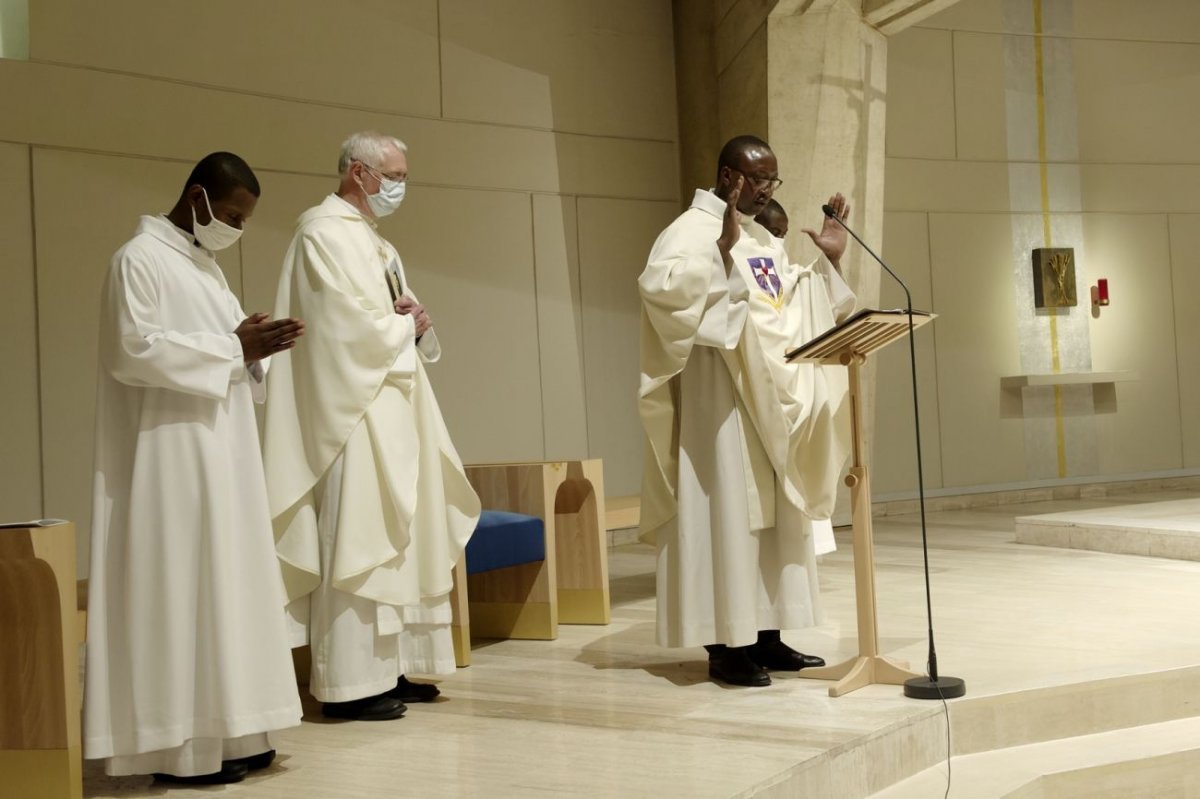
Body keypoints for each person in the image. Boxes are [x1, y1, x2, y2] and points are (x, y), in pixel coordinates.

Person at [84, 152, 305, 784]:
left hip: (220, 454)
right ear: (198, 197)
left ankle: (235, 732)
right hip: (167, 454)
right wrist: (233, 348)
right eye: (232, 214)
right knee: (178, 587)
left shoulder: (205, 268)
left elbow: (228, 353)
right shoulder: (139, 260)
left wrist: (253, 347)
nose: (236, 227)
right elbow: (133, 349)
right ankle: (178, 748)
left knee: (225, 587)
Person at [262, 131, 480, 722]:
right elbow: (333, 326)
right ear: (359, 173)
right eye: (395, 175)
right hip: (350, 414)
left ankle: (394, 667)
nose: (400, 187)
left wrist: (420, 320)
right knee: (360, 535)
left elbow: (398, 313)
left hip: (392, 405)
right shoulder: (321, 234)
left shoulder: (376, 244)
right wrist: (396, 330)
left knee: (401, 532)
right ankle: (350, 684)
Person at [638, 134, 857, 687]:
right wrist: (716, 254)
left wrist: (826, 264)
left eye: (772, 181)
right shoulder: (687, 231)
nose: (765, 191)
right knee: (728, 519)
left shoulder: (762, 237)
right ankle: (724, 646)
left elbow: (786, 305)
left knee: (772, 521)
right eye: (758, 179)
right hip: (723, 407)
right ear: (729, 176)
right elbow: (663, 296)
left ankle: (767, 635)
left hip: (771, 401)